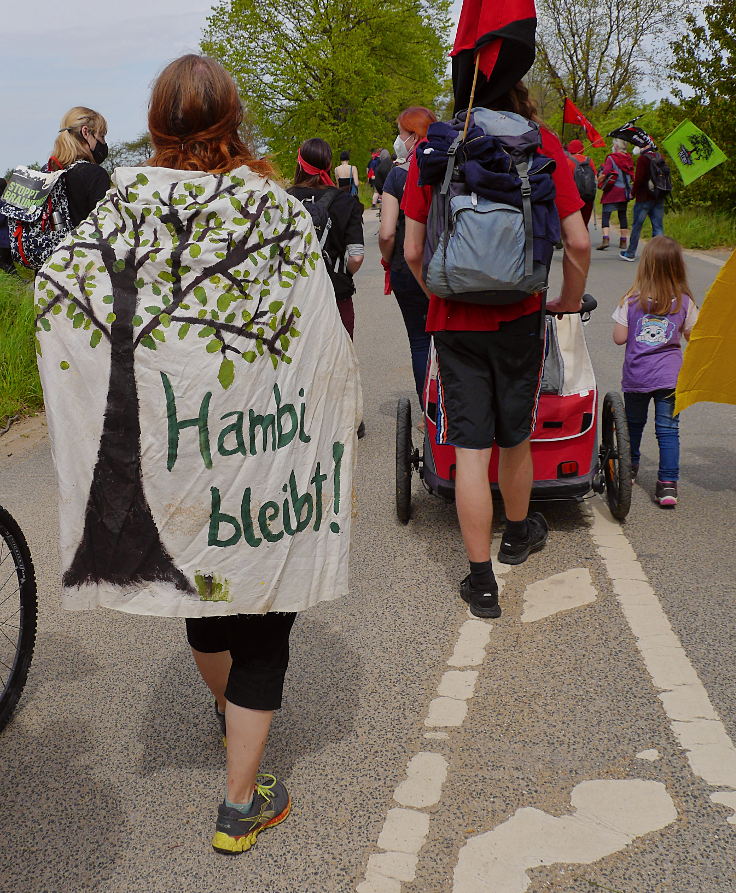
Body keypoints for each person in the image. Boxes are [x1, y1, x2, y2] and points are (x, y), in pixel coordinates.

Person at [36, 54, 360, 856]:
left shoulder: (122, 208)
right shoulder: (275, 211)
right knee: (264, 615)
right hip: (262, 457)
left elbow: (57, 290)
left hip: (178, 459)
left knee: (206, 592)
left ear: (154, 129)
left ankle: (229, 722)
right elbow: (323, 335)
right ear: (233, 121)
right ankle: (239, 800)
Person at [402, 81, 590, 620]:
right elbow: (577, 242)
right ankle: (517, 534)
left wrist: (442, 292)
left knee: (469, 450)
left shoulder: (437, 144)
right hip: (522, 316)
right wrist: (566, 304)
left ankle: (481, 582)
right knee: (516, 437)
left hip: (454, 320)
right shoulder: (542, 144)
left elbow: (414, 249)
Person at [612, 236, 697, 507]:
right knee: (669, 431)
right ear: (678, 267)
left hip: (637, 376)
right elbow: (694, 335)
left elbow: (618, 337)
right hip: (670, 377)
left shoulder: (631, 299)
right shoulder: (684, 302)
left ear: (645, 265)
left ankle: (630, 468)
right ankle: (668, 484)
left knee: (633, 425)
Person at [378, 106, 437, 405]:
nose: (397, 140)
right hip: (446, 266)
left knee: (419, 340)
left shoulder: (397, 175)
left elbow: (387, 232)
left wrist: (387, 260)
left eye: (400, 133)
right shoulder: (447, 165)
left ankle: (429, 409)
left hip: (406, 267)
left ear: (412, 136)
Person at [288, 138, 364, 339]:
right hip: (336, 294)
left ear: (299, 164)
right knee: (340, 363)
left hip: (295, 299)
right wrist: (342, 272)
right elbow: (356, 256)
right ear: (329, 165)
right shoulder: (346, 201)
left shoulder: (284, 200)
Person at [51, 106, 111, 226]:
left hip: (55, 244)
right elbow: (105, 225)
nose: (104, 143)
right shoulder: (94, 174)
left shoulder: (49, 172)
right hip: (82, 244)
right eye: (102, 136)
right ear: (85, 132)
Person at [620, 146, 666, 262]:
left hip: (644, 198)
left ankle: (630, 253)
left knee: (637, 226)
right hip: (658, 196)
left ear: (644, 146)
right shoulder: (659, 156)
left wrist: (632, 193)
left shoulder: (643, 159)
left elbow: (639, 179)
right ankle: (659, 255)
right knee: (658, 227)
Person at [596, 138, 633, 251]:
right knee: (622, 215)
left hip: (612, 191)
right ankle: (623, 241)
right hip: (624, 191)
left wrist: (598, 179)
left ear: (616, 147)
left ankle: (606, 239)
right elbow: (631, 175)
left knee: (606, 214)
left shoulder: (611, 158)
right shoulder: (629, 158)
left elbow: (606, 173)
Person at [565, 139, 597, 228]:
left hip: (574, 197)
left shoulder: (567, 161)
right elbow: (595, 177)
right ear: (582, 149)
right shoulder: (589, 160)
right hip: (588, 196)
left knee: (574, 227)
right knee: (584, 224)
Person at [0, 178, 13, 273]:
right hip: (8, 239)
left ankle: (19, 280)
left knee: (4, 263)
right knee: (8, 262)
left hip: (3, 240)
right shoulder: (9, 202)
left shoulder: (2, 203)